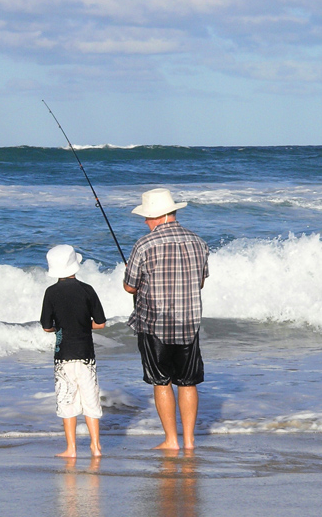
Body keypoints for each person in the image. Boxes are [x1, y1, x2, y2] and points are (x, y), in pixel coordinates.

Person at [123, 188, 209, 450]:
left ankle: (171, 440)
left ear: (158, 216)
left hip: (154, 323)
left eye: (147, 217)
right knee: (188, 381)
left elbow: (130, 287)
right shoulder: (198, 241)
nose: (145, 222)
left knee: (162, 381)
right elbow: (202, 281)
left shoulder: (144, 244)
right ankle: (190, 441)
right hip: (189, 323)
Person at [40, 244, 107, 457]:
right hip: (86, 355)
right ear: (74, 266)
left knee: (67, 400)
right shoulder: (87, 290)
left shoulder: (51, 292)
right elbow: (100, 323)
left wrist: (60, 328)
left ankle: (71, 449)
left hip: (63, 356)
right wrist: (81, 325)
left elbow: (46, 326)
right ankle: (95, 446)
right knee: (90, 400)